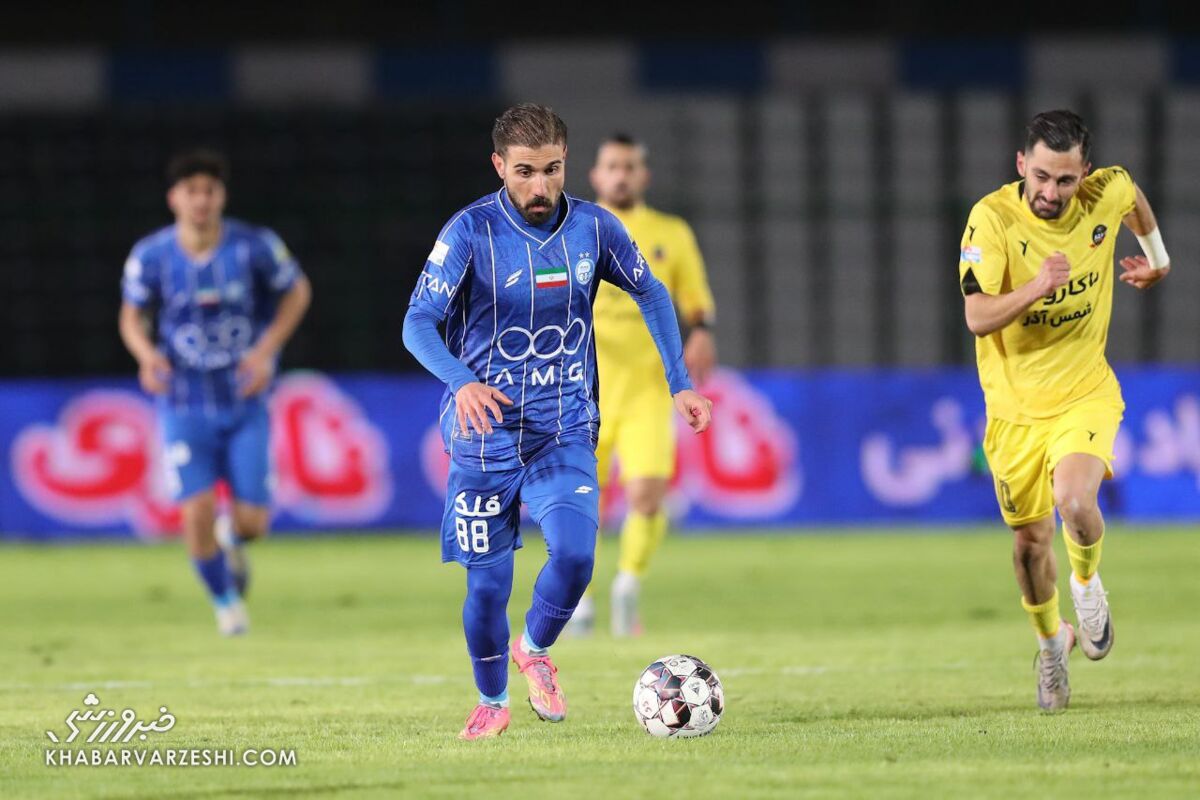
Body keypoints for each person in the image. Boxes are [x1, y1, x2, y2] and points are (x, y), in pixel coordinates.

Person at [402, 104, 712, 740]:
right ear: (498, 166)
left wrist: (680, 381)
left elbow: (652, 292)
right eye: (525, 172)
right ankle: (492, 700)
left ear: (566, 161)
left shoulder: (594, 229)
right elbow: (417, 323)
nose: (540, 186)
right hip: (484, 438)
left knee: (574, 556)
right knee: (487, 589)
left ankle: (535, 648)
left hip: (563, 426)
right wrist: (462, 381)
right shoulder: (469, 233)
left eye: (551, 169)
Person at [958, 110, 1171, 711]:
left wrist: (1158, 258)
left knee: (1076, 504)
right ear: (1021, 164)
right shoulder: (992, 219)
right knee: (1029, 547)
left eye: (1065, 180)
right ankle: (1053, 645)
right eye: (1042, 177)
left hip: (1084, 392)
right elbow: (977, 316)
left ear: (1086, 174)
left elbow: (1133, 198)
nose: (1051, 193)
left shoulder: (1106, 193)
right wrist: (1035, 288)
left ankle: (1086, 582)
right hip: (1013, 413)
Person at [118, 149, 311, 636]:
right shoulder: (151, 255)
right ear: (174, 198)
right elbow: (131, 315)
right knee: (196, 511)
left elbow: (297, 291)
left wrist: (265, 351)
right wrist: (145, 355)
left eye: (209, 191)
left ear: (221, 196)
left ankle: (233, 539)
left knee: (253, 524)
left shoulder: (254, 246)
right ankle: (227, 604)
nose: (200, 200)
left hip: (244, 400)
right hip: (184, 403)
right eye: (191, 191)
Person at [568, 133, 717, 637]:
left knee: (648, 495)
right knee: (579, 502)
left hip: (647, 390)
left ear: (643, 176)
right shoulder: (575, 228)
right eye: (612, 166)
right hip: (581, 392)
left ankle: (628, 583)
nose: (621, 175)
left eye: (629, 166)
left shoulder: (670, 233)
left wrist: (701, 332)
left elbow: (694, 296)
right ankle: (579, 598)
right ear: (596, 175)